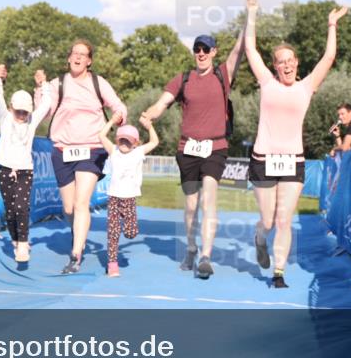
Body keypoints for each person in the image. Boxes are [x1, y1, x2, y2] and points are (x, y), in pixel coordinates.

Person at [243, 0, 347, 288]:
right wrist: (252, 13)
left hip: (292, 162)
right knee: (267, 221)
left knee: (284, 220)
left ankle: (278, 272)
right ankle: (259, 237)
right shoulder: (266, 82)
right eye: (281, 62)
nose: (286, 65)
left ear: (296, 63)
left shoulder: (306, 87)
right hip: (263, 160)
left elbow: (329, 58)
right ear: (275, 66)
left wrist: (332, 25)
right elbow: (250, 48)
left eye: (290, 60)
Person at [140, 29, 244, 279]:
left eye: (206, 49)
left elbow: (239, 51)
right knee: (190, 206)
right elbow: (162, 103)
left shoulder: (223, 74)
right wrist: (149, 114)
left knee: (209, 200)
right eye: (197, 49)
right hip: (187, 149)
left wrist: (248, 18)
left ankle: (206, 257)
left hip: (215, 148)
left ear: (214, 52)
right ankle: (191, 248)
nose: (201, 53)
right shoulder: (183, 79)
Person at [42, 39, 127, 274]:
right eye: (75, 53)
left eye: (83, 54)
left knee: (81, 203)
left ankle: (75, 255)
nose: (78, 57)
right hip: (62, 150)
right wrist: (40, 90)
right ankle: (78, 235)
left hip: (92, 148)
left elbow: (119, 106)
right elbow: (44, 112)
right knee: (69, 209)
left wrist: (118, 118)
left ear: (89, 61)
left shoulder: (98, 83)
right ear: (69, 58)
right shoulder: (57, 84)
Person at [0, 63, 53, 263]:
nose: (21, 116)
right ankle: (16, 239)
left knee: (21, 207)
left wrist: (43, 84)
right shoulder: (5, 118)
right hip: (5, 169)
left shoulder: (32, 121)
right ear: (11, 108)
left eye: (24, 112)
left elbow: (47, 103)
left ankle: (24, 244)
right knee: (10, 211)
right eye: (18, 111)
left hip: (25, 170)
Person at [98, 114, 159, 277]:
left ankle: (127, 231)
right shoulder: (113, 151)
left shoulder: (138, 152)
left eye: (128, 141)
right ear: (117, 141)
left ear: (135, 143)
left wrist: (149, 127)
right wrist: (112, 121)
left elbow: (154, 142)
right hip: (114, 198)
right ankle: (112, 264)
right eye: (122, 140)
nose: (124, 144)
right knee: (113, 232)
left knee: (131, 233)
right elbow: (101, 136)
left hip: (130, 199)